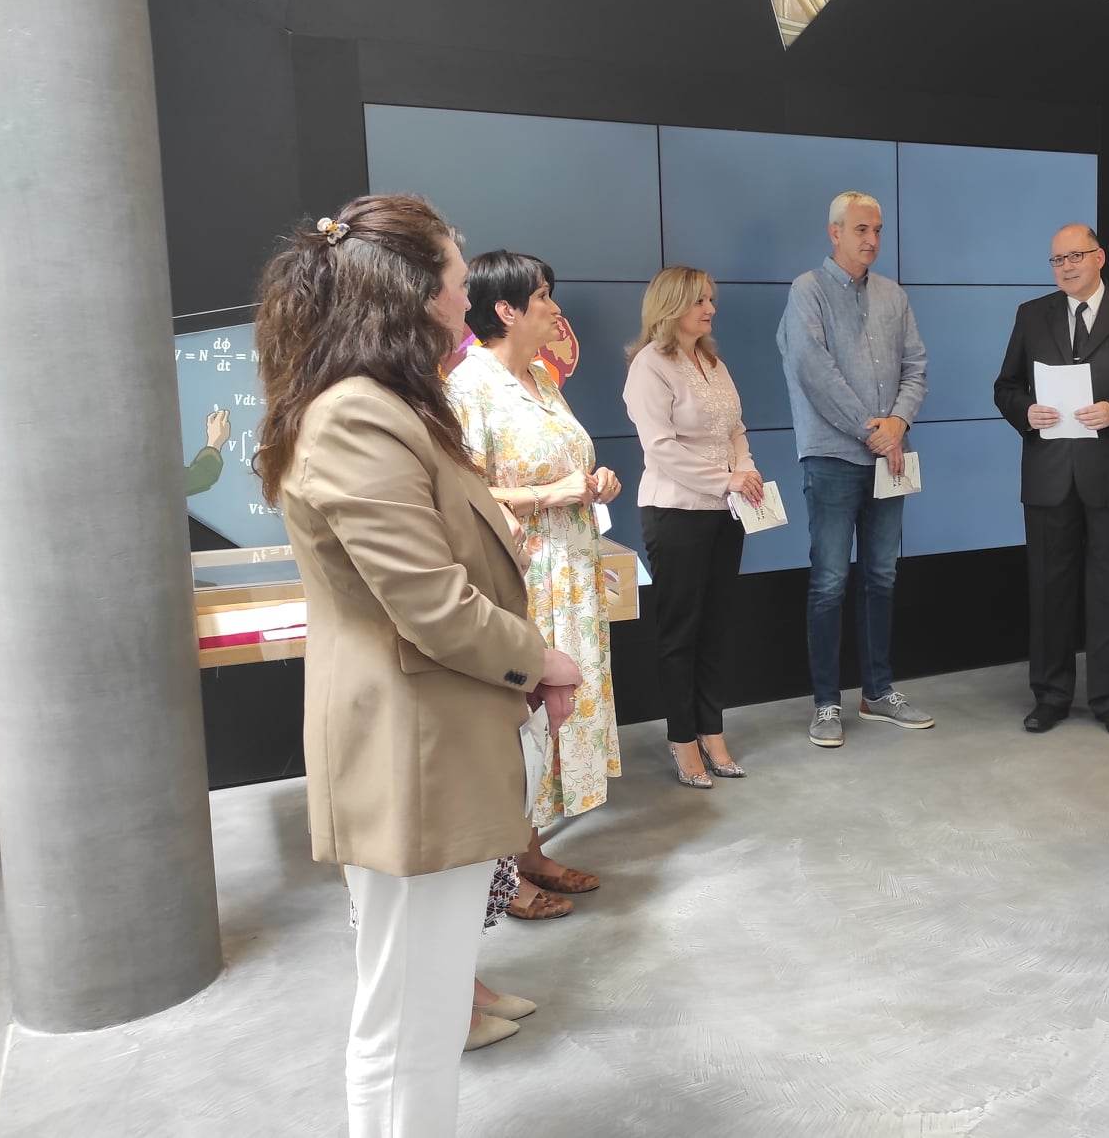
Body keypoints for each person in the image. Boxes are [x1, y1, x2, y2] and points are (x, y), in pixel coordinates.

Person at [254, 197, 583, 1135]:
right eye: (456, 274)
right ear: (412, 292)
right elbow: (431, 603)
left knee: (422, 1012)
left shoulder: (388, 404)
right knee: (407, 1022)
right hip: (411, 750)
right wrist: (541, 660)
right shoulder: (356, 416)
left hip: (434, 740)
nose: (465, 293)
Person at [448, 250, 621, 911]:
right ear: (506, 309)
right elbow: (462, 496)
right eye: (543, 295)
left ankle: (530, 851)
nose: (554, 307)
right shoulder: (468, 389)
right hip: (521, 576)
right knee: (518, 719)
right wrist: (551, 494)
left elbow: (566, 467)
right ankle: (506, 879)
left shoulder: (543, 380)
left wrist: (594, 482)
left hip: (570, 571)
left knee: (553, 717)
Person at [992, 223, 1109, 740]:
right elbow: (1005, 386)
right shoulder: (1032, 314)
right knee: (1048, 588)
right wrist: (1026, 412)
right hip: (1049, 473)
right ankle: (1050, 696)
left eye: (1075, 256)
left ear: (1100, 256)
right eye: (1057, 260)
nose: (1066, 267)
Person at [778, 191, 931, 748]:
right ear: (835, 232)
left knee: (882, 575)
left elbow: (916, 366)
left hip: (889, 458)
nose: (872, 240)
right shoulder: (807, 291)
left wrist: (899, 422)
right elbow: (813, 371)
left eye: (878, 230)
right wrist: (874, 431)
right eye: (861, 229)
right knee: (829, 581)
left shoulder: (894, 295)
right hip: (833, 458)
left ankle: (878, 692)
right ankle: (826, 702)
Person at [622, 266, 760, 786]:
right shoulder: (649, 366)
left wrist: (745, 472)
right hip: (675, 512)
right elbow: (660, 448)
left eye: (711, 299)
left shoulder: (713, 362)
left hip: (726, 512)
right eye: (699, 300)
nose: (710, 308)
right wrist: (726, 479)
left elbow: (736, 430)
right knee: (680, 631)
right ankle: (682, 738)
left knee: (716, 626)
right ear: (671, 304)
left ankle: (711, 728)